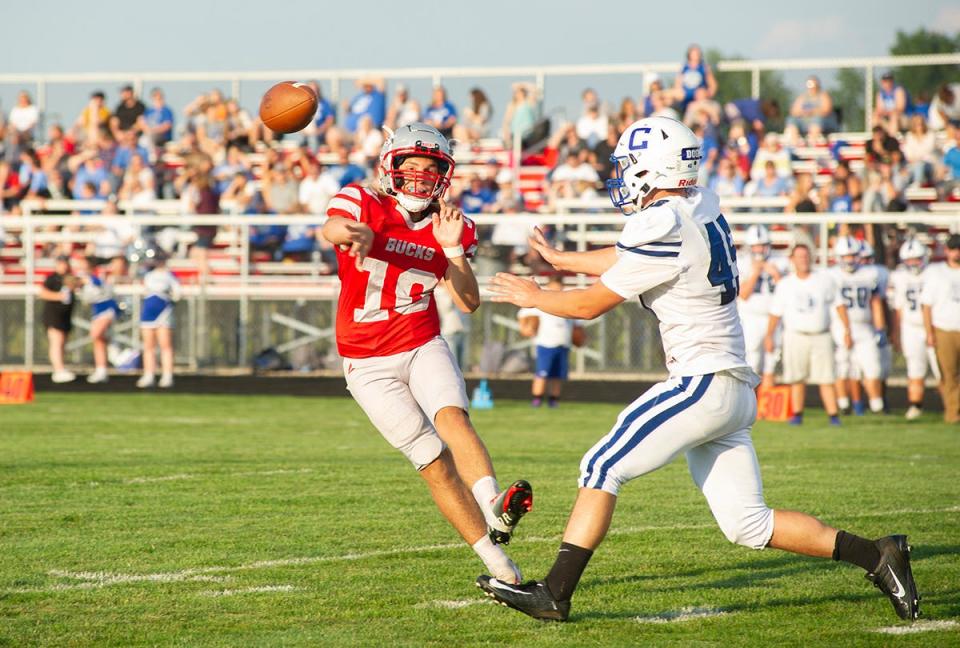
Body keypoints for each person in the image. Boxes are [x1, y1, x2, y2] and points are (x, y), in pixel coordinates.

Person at [477, 116, 918, 623]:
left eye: (628, 165)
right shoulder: (700, 203)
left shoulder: (658, 222)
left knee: (601, 467)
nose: (622, 175)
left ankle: (555, 593)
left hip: (701, 382)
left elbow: (588, 307)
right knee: (748, 524)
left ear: (652, 167)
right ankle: (879, 555)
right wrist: (562, 258)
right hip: (733, 388)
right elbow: (629, 257)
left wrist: (535, 296)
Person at [319, 122, 533, 584]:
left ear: (444, 176)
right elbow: (329, 225)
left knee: (453, 418)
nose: (418, 176)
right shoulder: (363, 202)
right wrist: (351, 232)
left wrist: (454, 251)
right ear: (390, 168)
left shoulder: (452, 225)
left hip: (420, 339)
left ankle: (495, 505)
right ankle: (499, 565)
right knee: (432, 462)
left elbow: (469, 302)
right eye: (410, 166)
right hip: (365, 360)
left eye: (429, 169)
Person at [767, 243, 845, 426]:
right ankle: (797, 414)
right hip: (796, 334)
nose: (803, 260)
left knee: (826, 378)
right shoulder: (786, 284)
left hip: (821, 334)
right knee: (796, 378)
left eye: (805, 256)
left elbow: (839, 305)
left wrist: (846, 330)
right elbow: (775, 312)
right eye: (799, 256)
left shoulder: (825, 280)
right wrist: (769, 335)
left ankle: (833, 416)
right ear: (792, 260)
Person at [828, 236, 886, 416]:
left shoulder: (870, 273)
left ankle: (877, 406)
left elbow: (876, 303)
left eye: (852, 255)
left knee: (873, 366)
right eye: (845, 256)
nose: (849, 260)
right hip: (839, 325)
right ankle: (844, 404)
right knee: (843, 366)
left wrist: (880, 328)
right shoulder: (831, 275)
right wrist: (845, 330)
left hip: (864, 325)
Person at [517, 276, 586, 408]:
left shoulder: (567, 304)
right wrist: (526, 327)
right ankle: (537, 399)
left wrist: (578, 335)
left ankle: (554, 399)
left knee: (558, 374)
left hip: (563, 344)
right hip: (546, 344)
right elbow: (523, 314)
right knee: (542, 373)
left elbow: (578, 322)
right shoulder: (541, 304)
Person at [737, 225, 788, 388]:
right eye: (756, 246)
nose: (759, 249)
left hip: (773, 317)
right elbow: (743, 295)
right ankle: (751, 398)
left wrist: (776, 275)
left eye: (762, 245)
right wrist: (756, 273)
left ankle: (766, 402)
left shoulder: (780, 261)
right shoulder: (741, 261)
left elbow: (788, 292)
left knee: (772, 359)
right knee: (752, 358)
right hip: (750, 316)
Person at [890, 239, 932, 420]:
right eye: (910, 260)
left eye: (917, 259)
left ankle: (951, 406)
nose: (914, 263)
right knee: (914, 368)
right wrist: (896, 333)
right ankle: (915, 405)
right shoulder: (898, 277)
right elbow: (898, 308)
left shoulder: (934, 274)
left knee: (945, 369)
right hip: (911, 326)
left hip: (935, 325)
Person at [921, 233, 960, 423]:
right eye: (953, 248)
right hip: (945, 328)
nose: (956, 252)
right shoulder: (936, 273)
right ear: (946, 250)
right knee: (949, 374)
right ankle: (953, 414)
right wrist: (929, 332)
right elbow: (926, 305)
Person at [73, 256, 121, 384]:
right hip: (97, 310)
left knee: (96, 334)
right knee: (98, 341)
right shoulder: (82, 280)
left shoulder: (95, 277)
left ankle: (115, 352)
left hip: (107, 308)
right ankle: (101, 370)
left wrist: (85, 281)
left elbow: (100, 288)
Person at [137, 248, 180, 389]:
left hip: (163, 312)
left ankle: (167, 375)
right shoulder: (147, 275)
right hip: (148, 312)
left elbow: (177, 293)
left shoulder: (170, 275)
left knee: (165, 345)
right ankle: (149, 374)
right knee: (148, 346)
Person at [39, 254, 77, 383]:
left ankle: (61, 367)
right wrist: (59, 296)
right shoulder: (52, 278)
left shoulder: (69, 278)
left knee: (63, 343)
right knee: (56, 341)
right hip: (53, 315)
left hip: (65, 316)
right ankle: (58, 369)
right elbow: (43, 293)